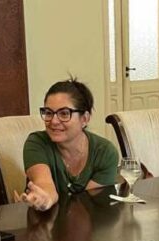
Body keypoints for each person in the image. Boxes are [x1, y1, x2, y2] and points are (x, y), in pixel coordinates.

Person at [22, 78, 119, 211]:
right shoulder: (36, 143)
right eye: (49, 113)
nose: (54, 121)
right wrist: (45, 199)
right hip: (45, 225)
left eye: (64, 113)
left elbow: (89, 204)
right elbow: (44, 184)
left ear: (84, 119)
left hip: (89, 226)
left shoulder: (105, 152)